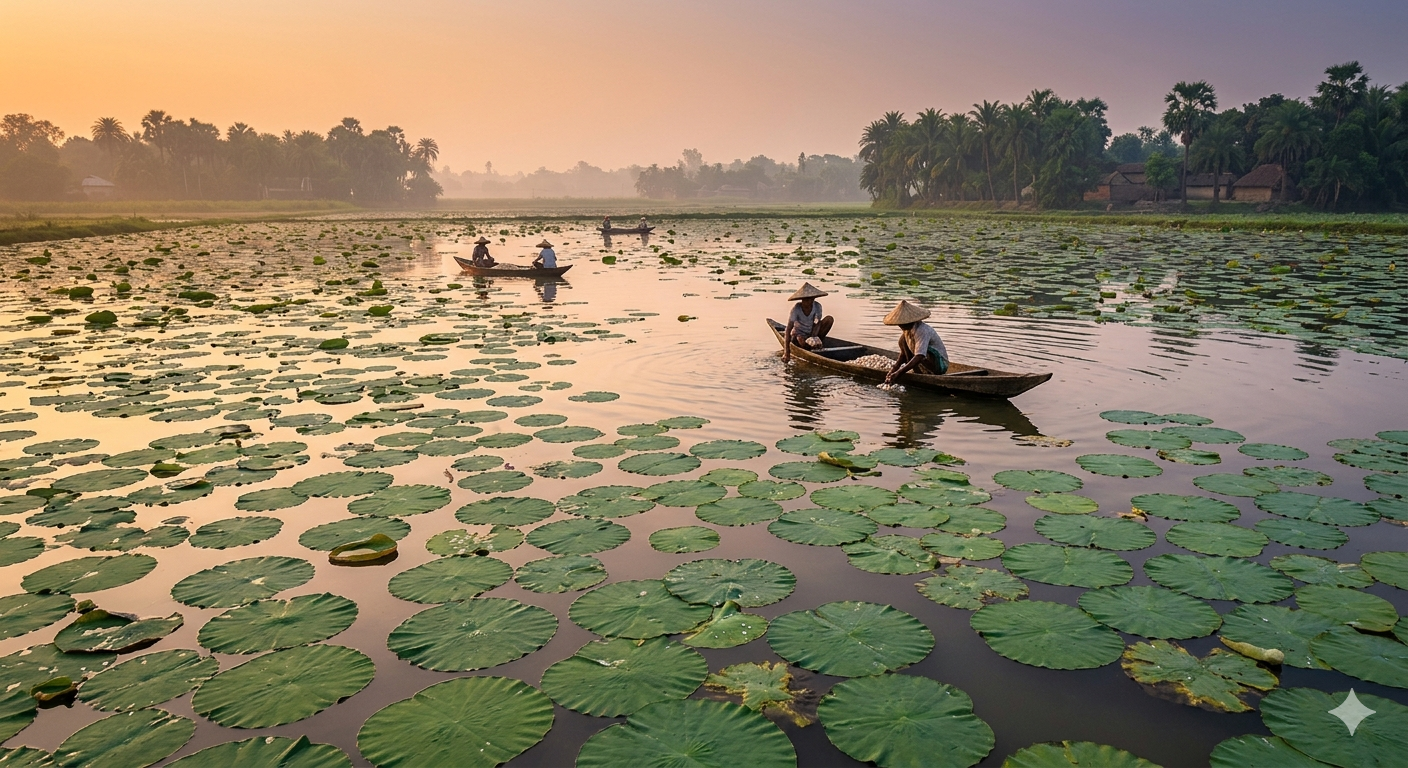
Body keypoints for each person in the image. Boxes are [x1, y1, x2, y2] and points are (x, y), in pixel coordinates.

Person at [883, 300, 949, 384]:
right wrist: (894, 369)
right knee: (902, 341)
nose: (900, 325)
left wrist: (899, 373)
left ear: (911, 321)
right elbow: (903, 354)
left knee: (918, 352)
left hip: (938, 365)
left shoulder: (922, 330)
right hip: (924, 361)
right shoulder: (907, 331)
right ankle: (918, 371)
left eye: (903, 323)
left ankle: (929, 373)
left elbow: (920, 355)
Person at [782, 282, 834, 363]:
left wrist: (813, 337)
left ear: (813, 299)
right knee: (800, 340)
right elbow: (788, 329)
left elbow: (817, 323)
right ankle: (808, 347)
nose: (808, 302)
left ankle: (815, 343)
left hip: (812, 333)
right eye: (805, 300)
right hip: (799, 334)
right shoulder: (796, 309)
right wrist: (787, 351)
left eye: (810, 299)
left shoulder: (817, 306)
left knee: (829, 319)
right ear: (802, 300)